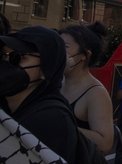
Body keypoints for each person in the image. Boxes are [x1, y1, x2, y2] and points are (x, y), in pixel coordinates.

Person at [0, 26, 81, 163]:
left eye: (17, 57)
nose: (5, 63)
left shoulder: (51, 121)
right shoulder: (7, 105)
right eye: (2, 55)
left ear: (45, 70)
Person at [60, 22, 114, 154]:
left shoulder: (96, 93)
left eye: (65, 47)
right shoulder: (56, 83)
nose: (57, 51)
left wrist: (59, 126)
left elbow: (105, 144)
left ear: (85, 54)